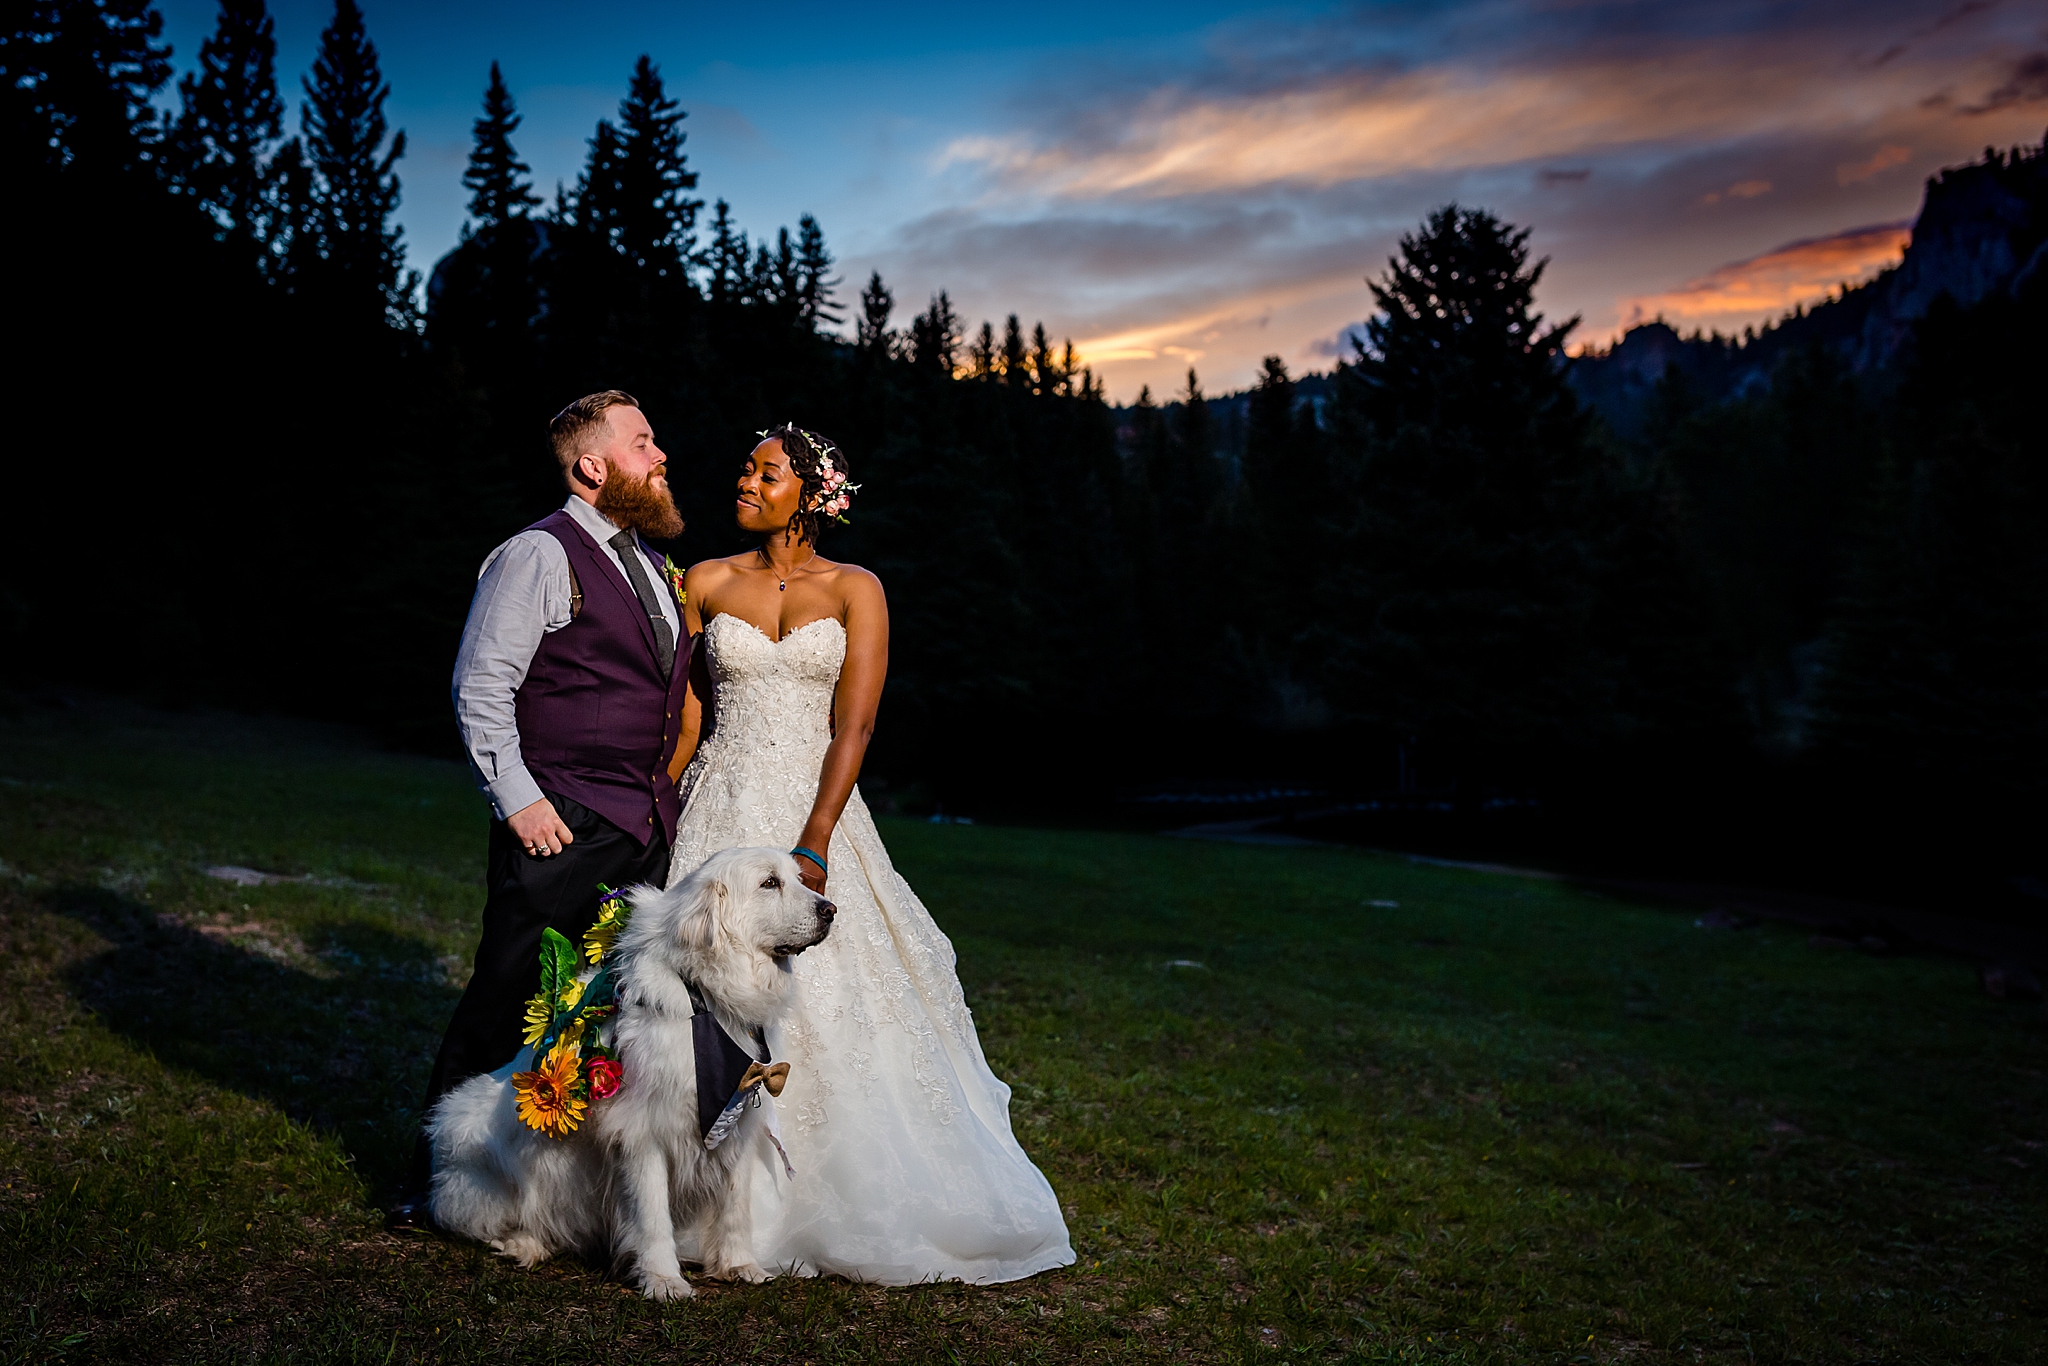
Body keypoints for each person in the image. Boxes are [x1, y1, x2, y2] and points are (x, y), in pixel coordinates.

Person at [664, 423, 1073, 1282]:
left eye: (763, 472)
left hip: (815, 813)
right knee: (696, 996)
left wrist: (814, 837)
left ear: (811, 495)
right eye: (744, 467)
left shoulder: (858, 589)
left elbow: (855, 724)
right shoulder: (700, 580)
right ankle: (690, 1196)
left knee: (840, 1000)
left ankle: (811, 1194)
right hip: (719, 805)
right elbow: (691, 719)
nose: (743, 480)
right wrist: (658, 806)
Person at [387, 390, 692, 1231]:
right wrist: (519, 801)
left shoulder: (655, 567)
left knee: (599, 1014)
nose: (660, 454)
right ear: (592, 465)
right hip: (563, 820)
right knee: (508, 997)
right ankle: (433, 1179)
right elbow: (481, 685)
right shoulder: (537, 554)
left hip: (640, 829)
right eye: (643, 441)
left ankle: (559, 1195)